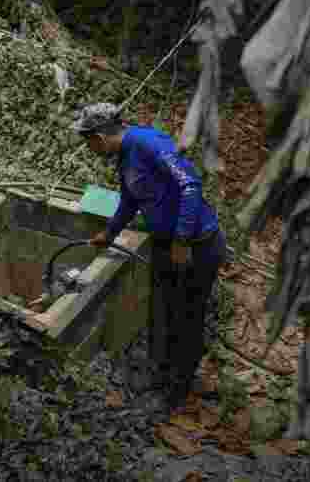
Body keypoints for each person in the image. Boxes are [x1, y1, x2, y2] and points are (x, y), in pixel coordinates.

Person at [70, 102, 225, 410]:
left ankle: (176, 392)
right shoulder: (125, 154)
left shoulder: (148, 143)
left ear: (98, 137)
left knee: (185, 317)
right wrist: (110, 233)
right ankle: (160, 374)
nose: (88, 148)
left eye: (87, 141)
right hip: (165, 243)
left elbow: (190, 186)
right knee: (162, 310)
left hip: (196, 246)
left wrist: (182, 240)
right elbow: (131, 198)